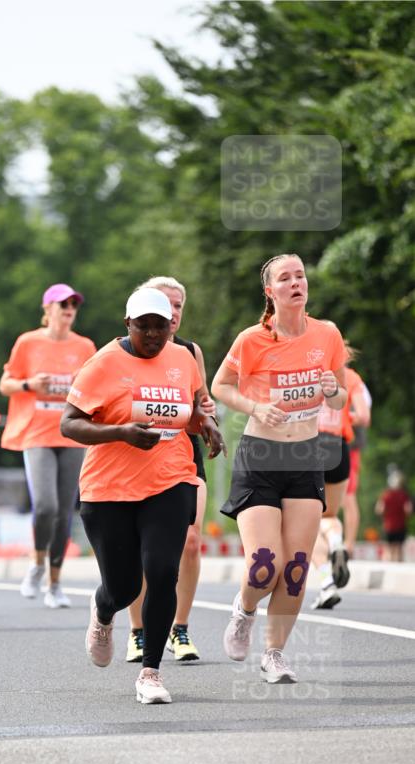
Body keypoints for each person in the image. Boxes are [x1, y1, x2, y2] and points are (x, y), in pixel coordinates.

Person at [61, 287, 213, 705]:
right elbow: (69, 424)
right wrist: (120, 433)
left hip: (170, 479)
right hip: (108, 489)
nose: (152, 334)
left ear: (171, 327)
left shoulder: (183, 359)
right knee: (124, 586)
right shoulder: (104, 363)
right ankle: (103, 610)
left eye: (160, 326)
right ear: (127, 324)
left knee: (163, 572)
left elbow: (192, 410)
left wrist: (207, 425)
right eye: (142, 326)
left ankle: (151, 672)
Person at [211, 253, 347, 683]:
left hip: (306, 456)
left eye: (300, 275)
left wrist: (333, 389)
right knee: (264, 565)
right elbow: (220, 385)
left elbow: (341, 396)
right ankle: (244, 609)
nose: (296, 283)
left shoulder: (327, 334)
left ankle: (274, 654)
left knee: (297, 566)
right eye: (285, 278)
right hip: (262, 455)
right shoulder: (252, 339)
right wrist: (255, 407)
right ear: (270, 292)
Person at [124, 276, 225, 663]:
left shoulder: (189, 352)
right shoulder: (125, 351)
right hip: (140, 456)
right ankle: (138, 631)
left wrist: (207, 412)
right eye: (167, 303)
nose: (173, 311)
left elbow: (201, 401)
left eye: (178, 305)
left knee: (191, 540)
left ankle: (179, 629)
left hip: (183, 454)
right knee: (141, 547)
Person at [0, 283, 95, 608]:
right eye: (63, 304)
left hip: (72, 434)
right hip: (36, 433)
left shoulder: (84, 346)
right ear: (47, 309)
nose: (69, 309)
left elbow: (97, 386)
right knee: (45, 506)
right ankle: (37, 562)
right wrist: (29, 384)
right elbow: (5, 384)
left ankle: (55, 583)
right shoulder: (28, 342)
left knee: (65, 510)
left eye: (73, 304)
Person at [310, 350, 371, 609]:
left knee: (307, 522)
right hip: (339, 445)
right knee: (330, 514)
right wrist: (346, 416)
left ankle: (326, 583)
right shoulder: (351, 377)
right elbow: (364, 417)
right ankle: (337, 543)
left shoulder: (307, 372)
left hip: (310, 445)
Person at [341, 373, 372, 557]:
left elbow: (365, 417)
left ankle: (349, 545)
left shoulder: (354, 381)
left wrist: (342, 416)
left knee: (348, 496)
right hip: (332, 444)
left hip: (348, 445)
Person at [375, 471, 412, 562]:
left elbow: (379, 509)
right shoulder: (404, 495)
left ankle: (391, 564)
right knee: (399, 549)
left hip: (389, 526)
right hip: (401, 525)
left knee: (390, 549)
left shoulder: (386, 495)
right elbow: (408, 510)